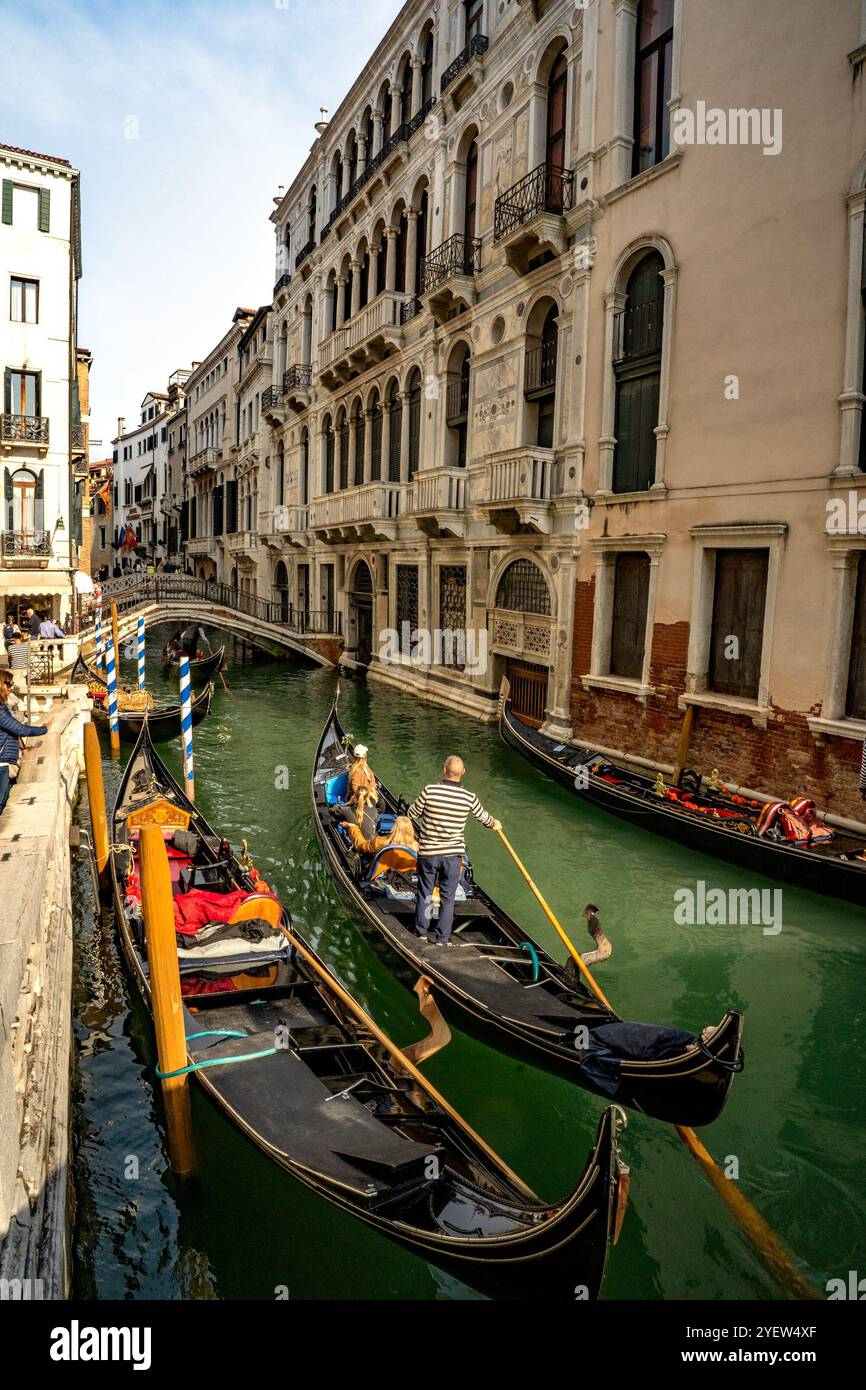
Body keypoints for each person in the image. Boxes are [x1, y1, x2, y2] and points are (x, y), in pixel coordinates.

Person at [408, 756, 501, 945]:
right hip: (453, 856)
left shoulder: (430, 790)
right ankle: (443, 938)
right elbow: (484, 819)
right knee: (447, 898)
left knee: (425, 893)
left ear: (444, 769)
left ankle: (421, 933)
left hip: (429, 853)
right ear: (463, 773)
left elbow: (411, 814)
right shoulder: (469, 797)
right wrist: (495, 823)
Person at [0, 673, 48, 785]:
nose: (11, 688)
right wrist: (44, 729)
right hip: (2, 764)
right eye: (9, 684)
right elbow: (20, 729)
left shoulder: (3, 706)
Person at [343, 813, 418, 858]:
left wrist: (353, 827)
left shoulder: (381, 842)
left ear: (395, 827)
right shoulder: (416, 847)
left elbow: (361, 846)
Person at [347, 744, 378, 816]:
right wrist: (369, 794)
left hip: (365, 796)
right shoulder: (358, 770)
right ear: (364, 756)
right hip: (360, 798)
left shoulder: (362, 767)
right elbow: (356, 790)